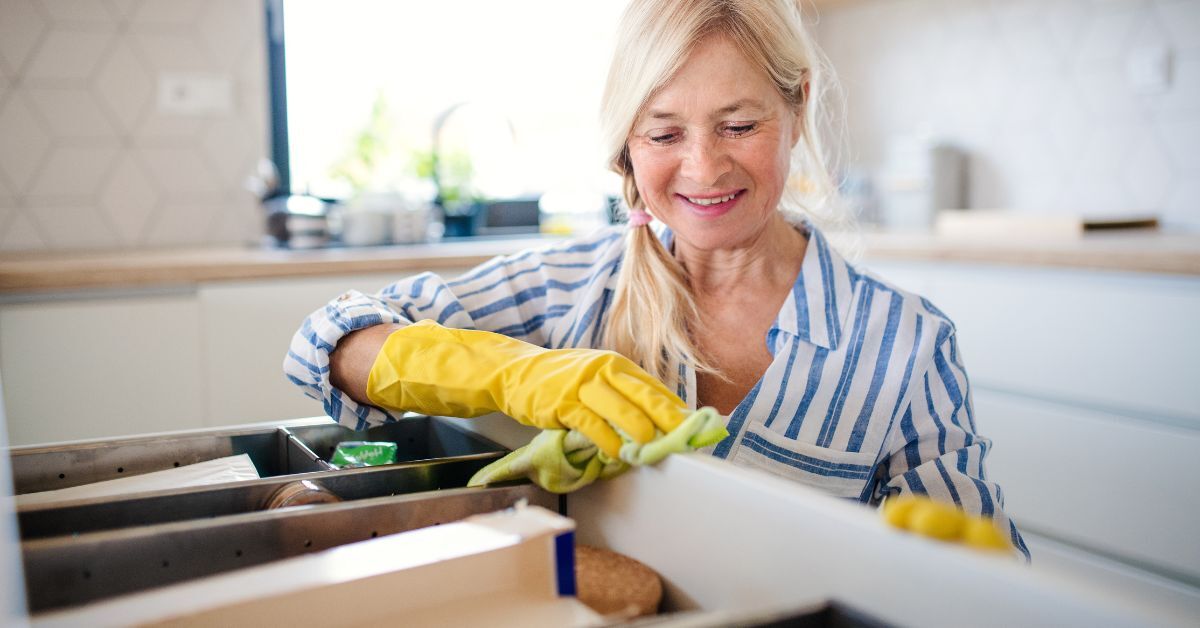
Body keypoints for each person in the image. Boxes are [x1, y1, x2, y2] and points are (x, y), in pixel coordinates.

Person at [286, 0, 1028, 557]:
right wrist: (515, 374)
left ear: (796, 106)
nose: (703, 169)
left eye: (739, 126)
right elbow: (330, 343)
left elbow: (981, 574)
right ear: (626, 147)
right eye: (665, 133)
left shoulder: (905, 345)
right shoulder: (571, 287)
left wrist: (969, 583)